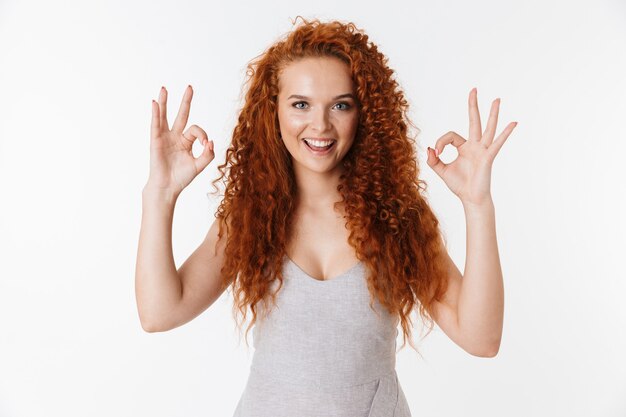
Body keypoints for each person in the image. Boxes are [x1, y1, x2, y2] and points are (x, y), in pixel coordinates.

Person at [135, 16, 516, 417]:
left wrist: (477, 206)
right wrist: (159, 195)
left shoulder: (396, 216)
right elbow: (160, 313)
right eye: (301, 104)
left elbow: (481, 338)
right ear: (273, 111)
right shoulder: (251, 215)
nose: (320, 125)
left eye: (340, 105)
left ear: (363, 113)